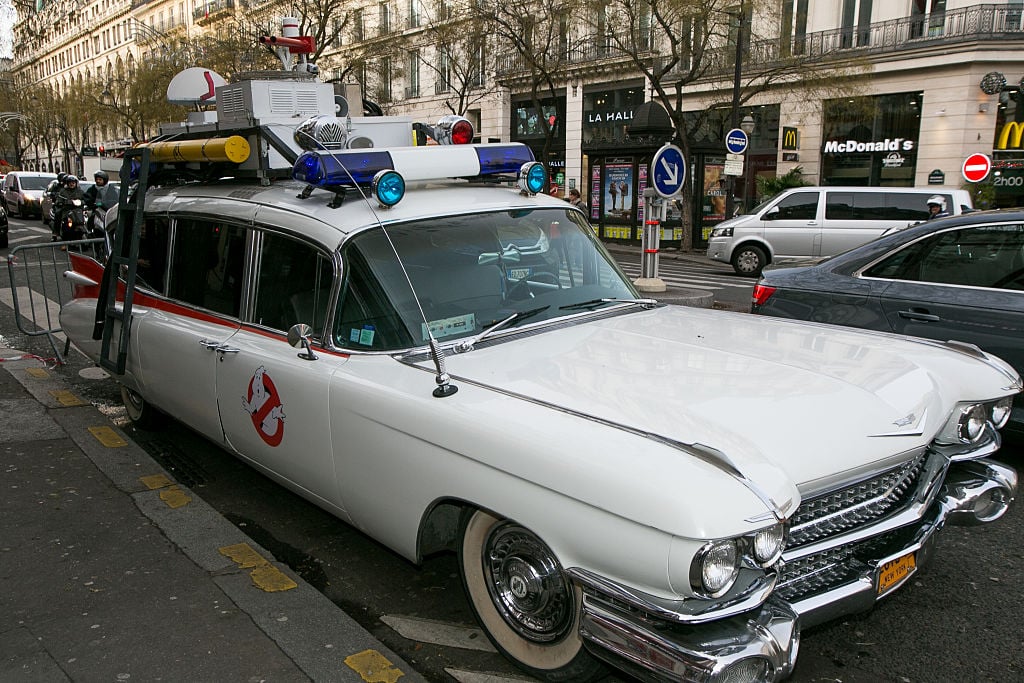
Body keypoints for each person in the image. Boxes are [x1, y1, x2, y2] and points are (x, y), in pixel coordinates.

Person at [53, 175, 86, 241]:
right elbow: (58, 199)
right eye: (70, 182)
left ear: (76, 183)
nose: (72, 184)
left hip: (77, 210)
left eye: (73, 182)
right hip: (66, 210)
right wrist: (60, 202)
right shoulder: (63, 191)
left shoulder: (80, 191)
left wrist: (82, 202)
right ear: (67, 183)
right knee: (58, 213)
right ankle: (56, 233)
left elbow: (85, 199)